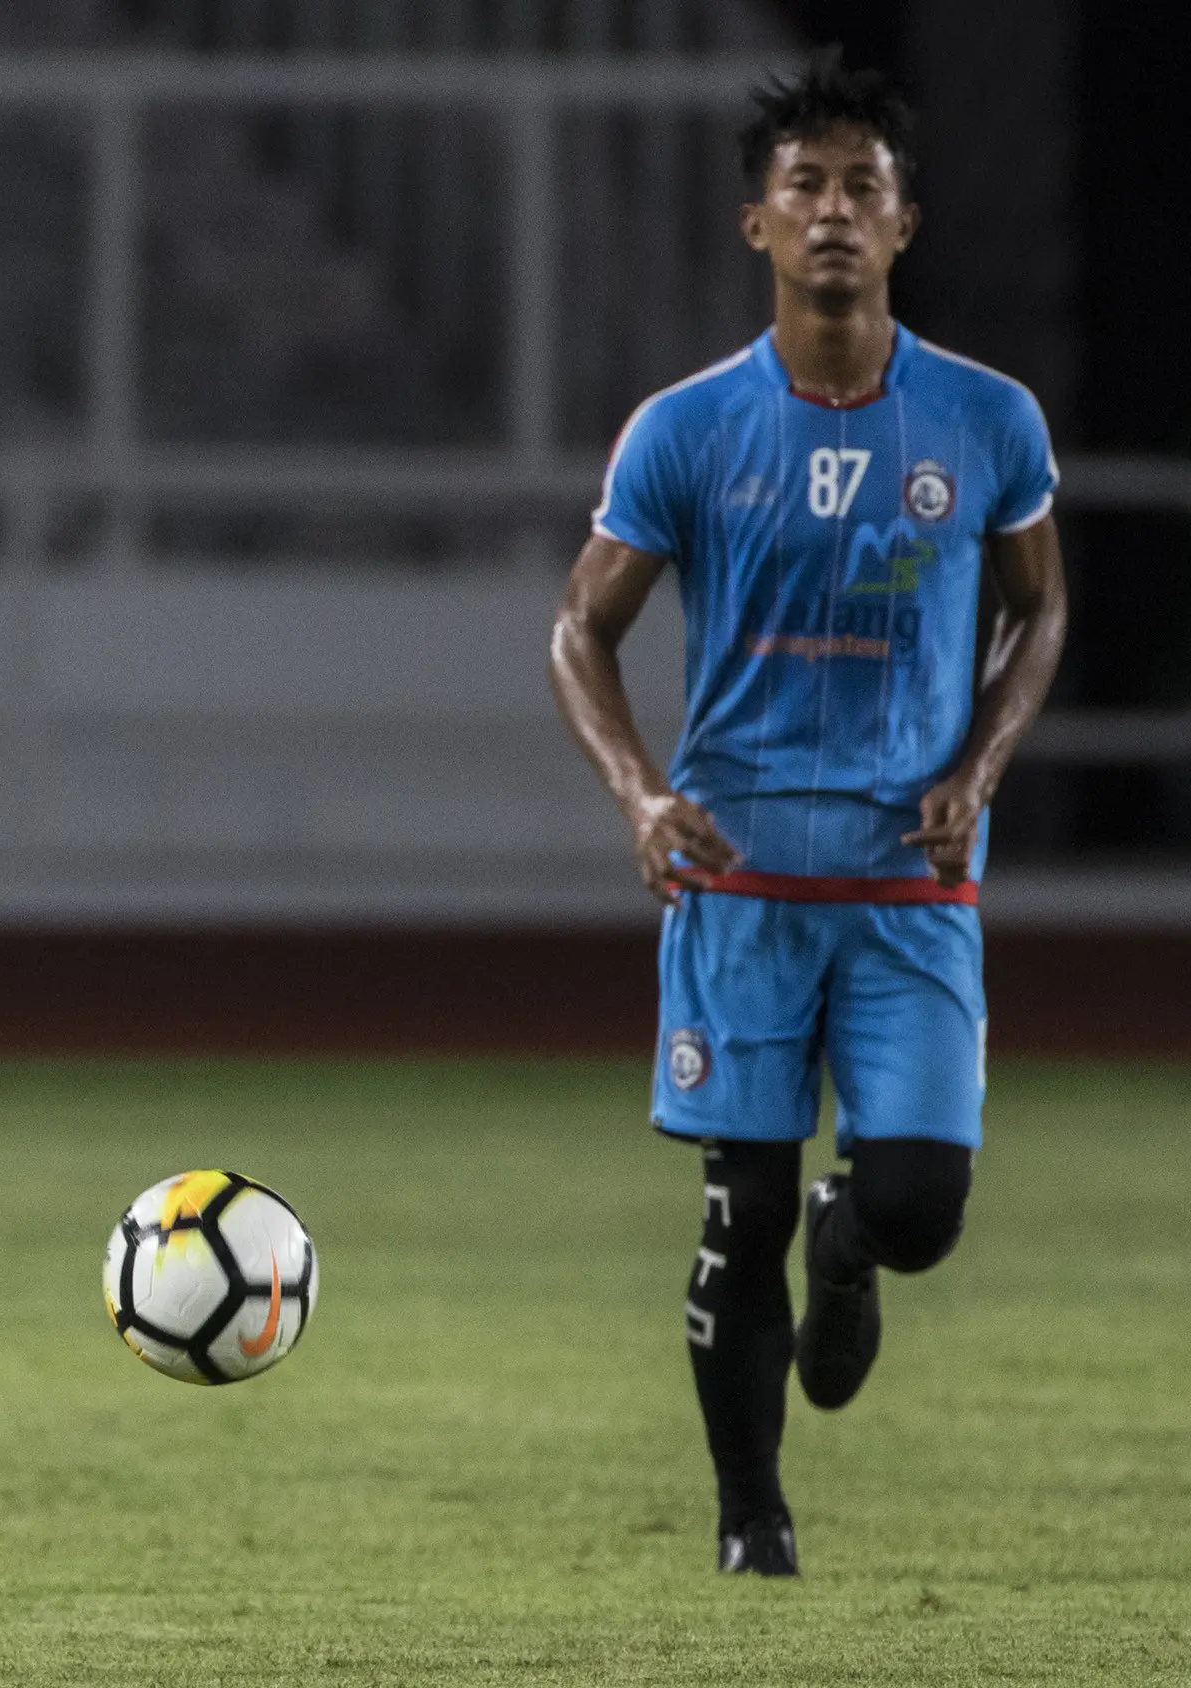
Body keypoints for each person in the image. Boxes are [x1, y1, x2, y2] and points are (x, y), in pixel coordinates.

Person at [549, 58, 1067, 1577]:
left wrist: (983, 761)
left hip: (913, 877)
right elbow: (581, 629)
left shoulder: (986, 420)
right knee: (739, 1204)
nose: (834, 211)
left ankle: (861, 1246)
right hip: (744, 872)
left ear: (906, 226)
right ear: (754, 227)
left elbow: (1040, 613)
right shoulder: (687, 431)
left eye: (863, 188)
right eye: (806, 187)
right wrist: (641, 794)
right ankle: (750, 1518)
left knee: (919, 1206)